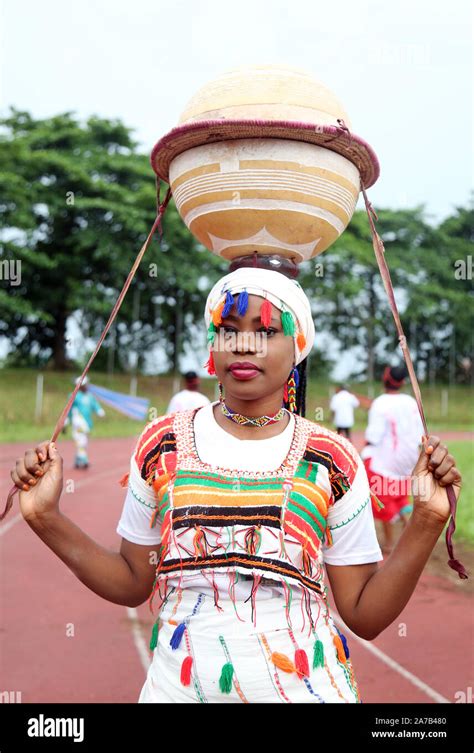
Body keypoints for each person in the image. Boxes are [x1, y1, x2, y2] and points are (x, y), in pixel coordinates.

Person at [10, 269, 462, 704]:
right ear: (213, 345)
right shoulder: (161, 443)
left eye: (265, 331)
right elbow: (131, 580)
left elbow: (365, 614)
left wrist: (425, 521)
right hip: (177, 690)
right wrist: (45, 518)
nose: (243, 344)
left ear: (298, 346)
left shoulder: (331, 458)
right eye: (228, 329)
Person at [361, 365, 425, 555]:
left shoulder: (380, 403)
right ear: (403, 382)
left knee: (381, 498)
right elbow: (419, 432)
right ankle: (413, 539)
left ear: (384, 380)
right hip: (409, 460)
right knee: (400, 497)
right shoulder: (411, 402)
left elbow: (374, 435)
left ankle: (389, 543)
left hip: (387, 461)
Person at [64, 377, 105, 469]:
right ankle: (84, 459)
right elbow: (68, 409)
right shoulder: (74, 396)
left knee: (84, 442)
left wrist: (99, 411)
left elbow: (95, 405)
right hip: (78, 422)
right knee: (80, 441)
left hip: (87, 423)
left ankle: (78, 461)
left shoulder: (90, 396)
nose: (86, 386)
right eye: (84, 385)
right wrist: (66, 421)